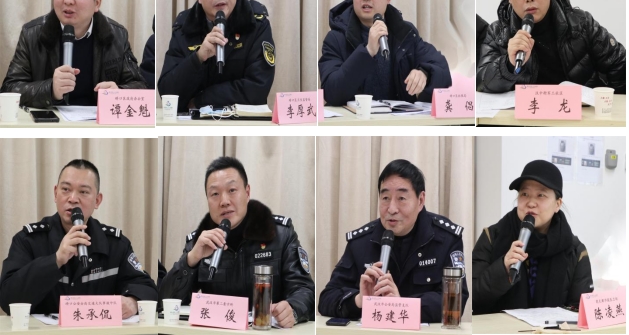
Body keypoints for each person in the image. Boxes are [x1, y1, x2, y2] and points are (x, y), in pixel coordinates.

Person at [159, 157, 314, 328]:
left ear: (247, 193)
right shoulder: (200, 242)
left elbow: (304, 290)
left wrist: (293, 309)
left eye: (232, 190)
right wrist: (191, 259)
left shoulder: (280, 234)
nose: (224, 201)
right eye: (215, 194)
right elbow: (165, 303)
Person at [0, 160, 157, 318]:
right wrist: (55, 260)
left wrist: (134, 301)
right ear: (55, 193)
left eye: (83, 192)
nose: (73, 198)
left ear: (97, 200)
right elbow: (7, 299)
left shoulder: (115, 244)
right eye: (66, 189)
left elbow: (147, 288)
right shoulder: (28, 240)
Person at [318, 159, 468, 323]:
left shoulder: (446, 239)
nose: (391, 209)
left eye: (401, 198)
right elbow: (326, 299)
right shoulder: (361, 242)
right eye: (385, 198)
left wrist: (401, 305)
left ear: (420, 200)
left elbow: (455, 301)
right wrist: (360, 300)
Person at [0, 0, 146, 108]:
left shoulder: (117, 36)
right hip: (50, 121)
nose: (68, 0)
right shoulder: (32, 34)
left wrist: (119, 93)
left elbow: (140, 86)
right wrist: (50, 89)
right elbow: (10, 89)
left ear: (97, 3)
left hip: (96, 122)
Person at [477, 0, 626, 94]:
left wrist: (614, 106)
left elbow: (620, 65)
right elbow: (481, 83)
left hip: (579, 112)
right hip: (527, 113)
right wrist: (508, 65)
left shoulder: (582, 24)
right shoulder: (497, 33)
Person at [318, 0, 452, 106]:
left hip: (398, 119)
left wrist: (424, 73)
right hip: (356, 119)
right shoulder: (336, 39)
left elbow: (443, 72)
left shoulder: (404, 33)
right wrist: (367, 51)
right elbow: (331, 92)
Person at [472, 160, 593, 315]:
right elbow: (472, 298)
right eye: (524, 194)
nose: (531, 203)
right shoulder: (492, 237)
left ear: (557, 204)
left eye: (541, 195)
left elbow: (580, 310)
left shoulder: (575, 251)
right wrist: (502, 269)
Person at [158, 0, 275, 112]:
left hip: (241, 123)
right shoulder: (185, 28)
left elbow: (257, 88)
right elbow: (168, 94)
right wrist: (198, 58)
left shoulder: (256, 24)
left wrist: (201, 100)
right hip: (194, 124)